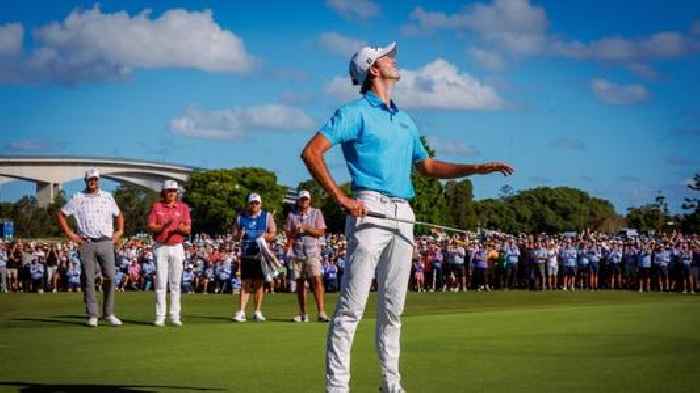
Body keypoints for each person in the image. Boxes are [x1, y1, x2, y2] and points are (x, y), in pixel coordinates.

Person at [300, 41, 513, 393]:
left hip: (403, 214)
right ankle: (337, 388)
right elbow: (312, 152)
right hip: (368, 209)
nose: (394, 59)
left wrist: (475, 168)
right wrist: (341, 198)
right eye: (387, 56)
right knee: (352, 308)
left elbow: (426, 166)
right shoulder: (354, 112)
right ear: (373, 69)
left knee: (392, 310)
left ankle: (391, 385)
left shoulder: (405, 119)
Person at [57, 168, 124, 327]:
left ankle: (108, 313)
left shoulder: (107, 196)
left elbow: (119, 214)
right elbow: (61, 214)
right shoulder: (78, 197)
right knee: (88, 279)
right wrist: (70, 234)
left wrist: (120, 231)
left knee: (110, 277)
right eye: (90, 180)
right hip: (86, 242)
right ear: (86, 181)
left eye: (95, 179)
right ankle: (93, 314)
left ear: (98, 180)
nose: (93, 182)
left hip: (106, 241)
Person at [147, 179, 191, 327]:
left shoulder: (183, 207)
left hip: (177, 246)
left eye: (174, 191)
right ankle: (160, 316)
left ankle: (175, 315)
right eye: (169, 191)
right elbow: (152, 227)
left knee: (175, 283)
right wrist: (163, 226)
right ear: (164, 192)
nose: (172, 193)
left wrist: (179, 228)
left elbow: (188, 229)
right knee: (160, 283)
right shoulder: (156, 206)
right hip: (161, 246)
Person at [232, 193, 276, 322]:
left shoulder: (267, 216)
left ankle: (257, 311)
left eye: (256, 203)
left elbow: (273, 233)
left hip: (261, 254)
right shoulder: (240, 218)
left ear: (260, 204)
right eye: (252, 203)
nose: (254, 205)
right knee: (245, 283)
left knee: (258, 284)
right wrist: (239, 233)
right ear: (248, 204)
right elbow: (234, 237)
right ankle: (241, 311)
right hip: (246, 253)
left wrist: (265, 236)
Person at [286, 190, 329, 323]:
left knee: (316, 281)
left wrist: (306, 228)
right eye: (302, 199)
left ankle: (321, 312)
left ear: (309, 200)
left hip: (313, 252)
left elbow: (321, 232)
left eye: (306, 199)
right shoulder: (292, 215)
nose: (304, 201)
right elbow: (288, 234)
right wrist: (295, 231)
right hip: (297, 253)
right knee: (300, 284)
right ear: (298, 201)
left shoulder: (317, 212)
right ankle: (303, 314)